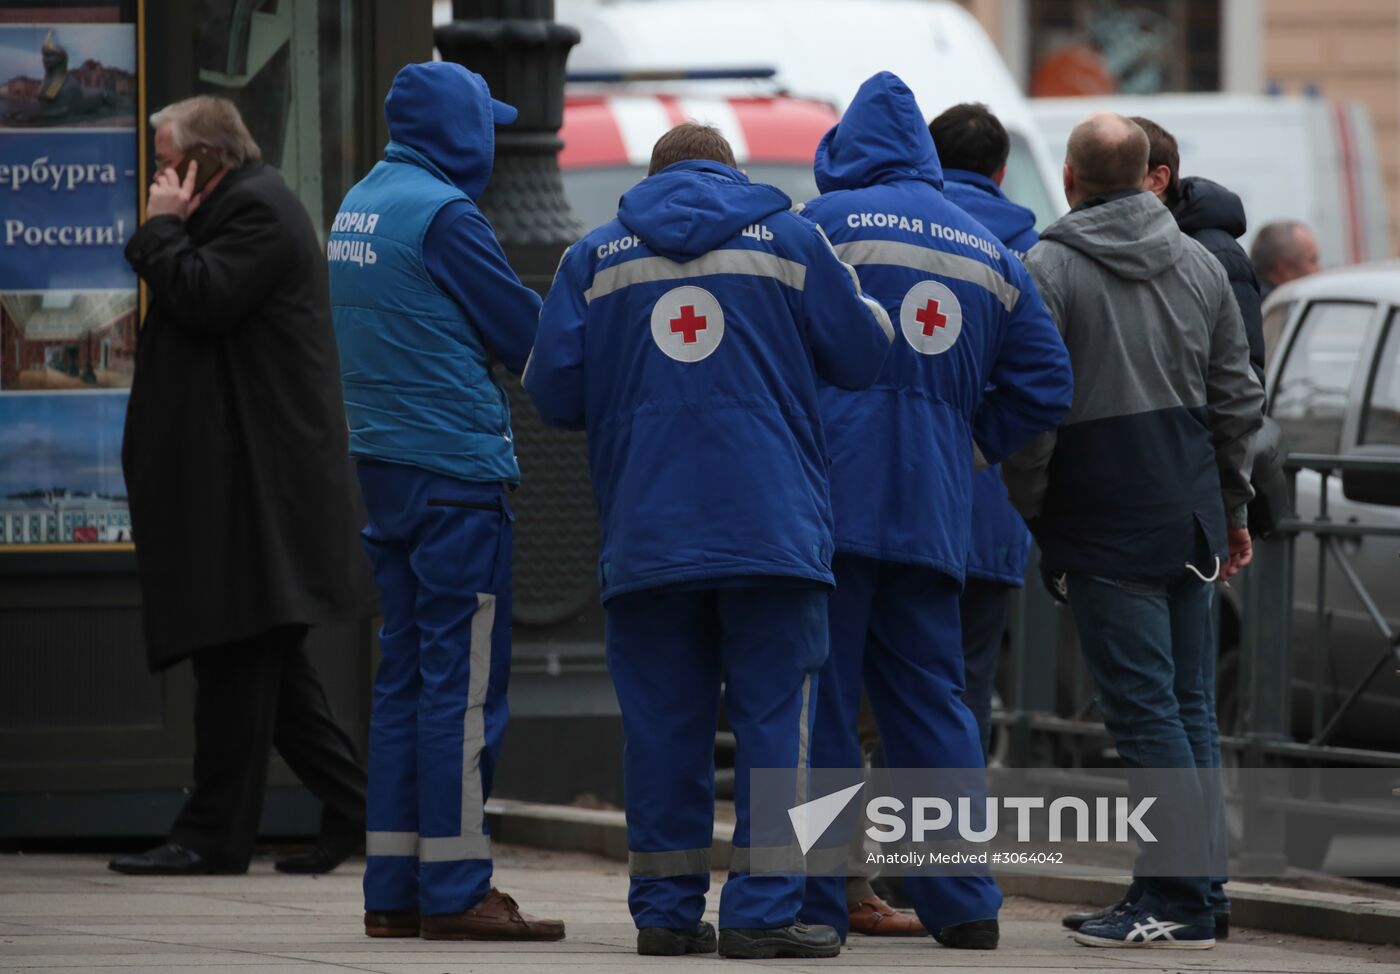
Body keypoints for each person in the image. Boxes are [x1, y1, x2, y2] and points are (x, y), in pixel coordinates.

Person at [525, 121, 894, 960]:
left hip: (648, 531)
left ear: (656, 177)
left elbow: (551, 390)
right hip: (772, 528)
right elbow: (864, 352)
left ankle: (663, 912)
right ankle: (763, 915)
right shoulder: (795, 240)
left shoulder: (593, 257)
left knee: (661, 728)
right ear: (728, 173)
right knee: (773, 726)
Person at [797, 73, 1074, 950]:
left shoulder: (818, 227)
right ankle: (967, 902)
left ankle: (814, 898)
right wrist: (967, 444)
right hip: (932, 509)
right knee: (934, 706)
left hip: (826, 504)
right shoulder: (986, 249)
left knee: (823, 705)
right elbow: (1046, 381)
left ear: (845, 150)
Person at [1004, 113, 1265, 950]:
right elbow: (1238, 398)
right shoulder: (1200, 262)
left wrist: (1035, 504)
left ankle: (1179, 897)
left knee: (1146, 713)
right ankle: (1196, 888)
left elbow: (1036, 410)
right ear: (1149, 174)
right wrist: (1231, 508)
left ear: (1072, 179)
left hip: (1103, 513)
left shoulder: (1047, 267)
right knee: (1188, 708)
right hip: (1186, 511)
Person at [326, 62, 562, 942]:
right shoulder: (445, 216)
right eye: (487, 124)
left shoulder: (362, 202)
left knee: (403, 683)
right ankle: (459, 886)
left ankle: (392, 887)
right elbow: (523, 334)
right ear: (462, 130)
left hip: (384, 467)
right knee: (460, 691)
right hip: (454, 477)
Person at [109, 96, 372, 878]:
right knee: (268, 672)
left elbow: (205, 295)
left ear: (203, 159)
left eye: (166, 159)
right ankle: (360, 809)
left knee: (235, 658)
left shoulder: (256, 210)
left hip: (260, 497)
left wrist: (159, 226)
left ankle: (211, 835)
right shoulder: (241, 205)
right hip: (248, 491)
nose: (158, 175)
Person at [928, 102, 1042, 761]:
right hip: (992, 505)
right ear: (1002, 173)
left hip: (899, 503)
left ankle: (864, 842)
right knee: (967, 684)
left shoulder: (896, 239)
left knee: (885, 680)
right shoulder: (1028, 254)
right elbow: (1048, 383)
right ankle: (939, 853)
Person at [1133, 116, 1265, 385]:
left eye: (1119, 175)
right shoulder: (1127, 245)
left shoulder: (1218, 256)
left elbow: (1244, 375)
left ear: (1157, 180)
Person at [1250, 220, 1321, 300]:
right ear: (1284, 270)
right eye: (1312, 261)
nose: (1319, 269)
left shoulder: (1247, 297)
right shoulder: (1279, 308)